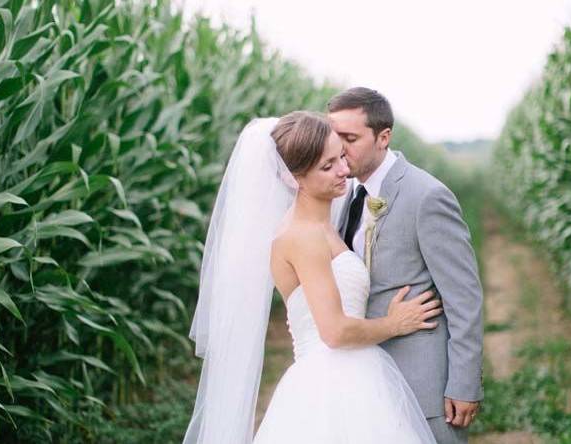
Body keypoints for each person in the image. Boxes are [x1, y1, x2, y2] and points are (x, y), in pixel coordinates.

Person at [183, 112, 441, 443]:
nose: (344, 171)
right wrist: (395, 324)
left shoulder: (324, 224)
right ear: (294, 178)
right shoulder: (301, 237)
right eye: (327, 166)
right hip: (331, 387)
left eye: (340, 157)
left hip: (357, 373)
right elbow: (334, 331)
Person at [328, 87, 484, 443]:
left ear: (383, 137)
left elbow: (464, 298)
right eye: (333, 137)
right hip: (364, 376)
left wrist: (464, 382)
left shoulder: (426, 196)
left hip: (422, 382)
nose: (338, 149)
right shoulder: (347, 194)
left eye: (349, 138)